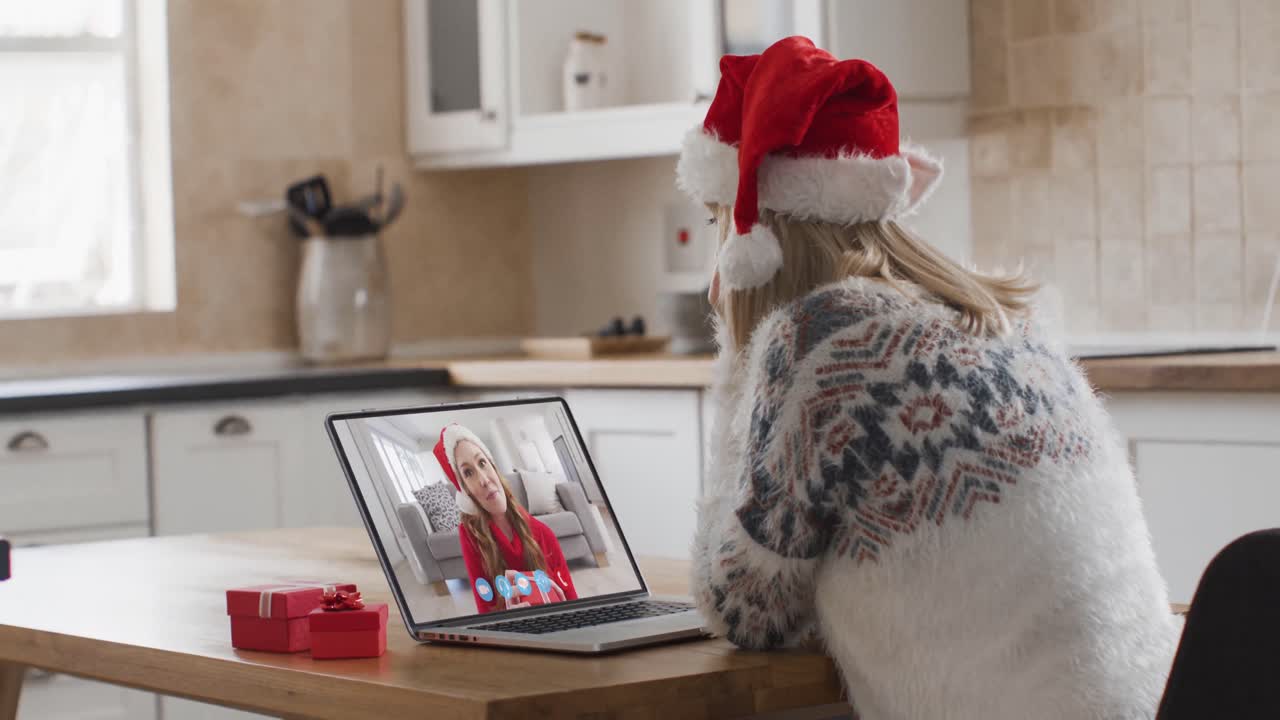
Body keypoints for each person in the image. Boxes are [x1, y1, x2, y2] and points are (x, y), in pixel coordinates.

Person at [679, 37, 1181, 718]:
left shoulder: (814, 345)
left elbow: (745, 610)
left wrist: (735, 369)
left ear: (754, 243)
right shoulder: (1005, 322)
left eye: (717, 223)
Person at [433, 423, 577, 614]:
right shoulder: (470, 535)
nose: (484, 479)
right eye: (468, 473)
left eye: (482, 463)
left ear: (494, 468)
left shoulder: (544, 534)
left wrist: (556, 599)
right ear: (466, 492)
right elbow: (485, 610)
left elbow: (573, 604)